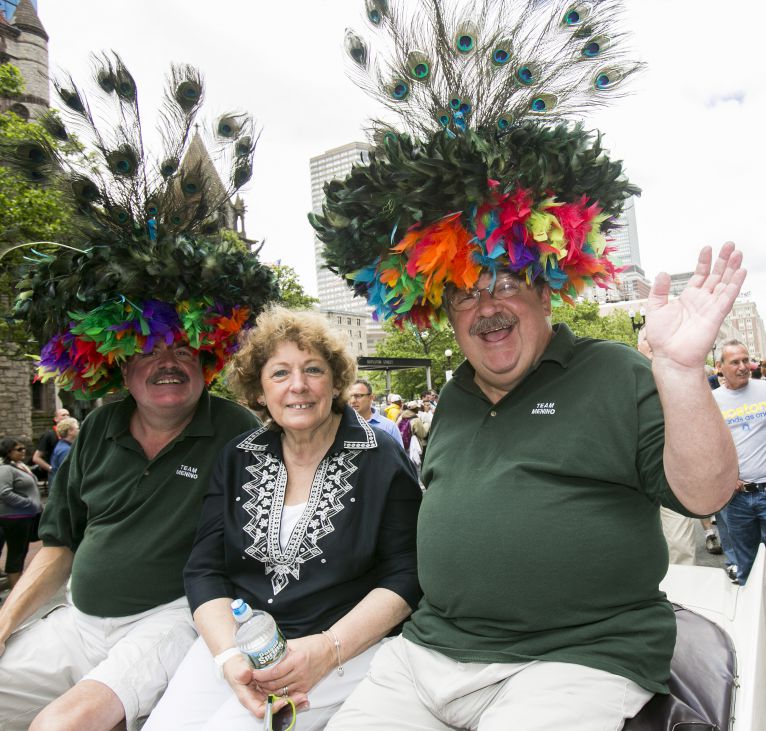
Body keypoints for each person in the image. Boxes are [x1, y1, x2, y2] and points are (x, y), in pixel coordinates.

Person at [310, 1, 744, 723]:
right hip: (428, 654)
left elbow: (707, 496)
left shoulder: (615, 373)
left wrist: (677, 371)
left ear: (546, 291)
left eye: (506, 282)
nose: (487, 305)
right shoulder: (452, 397)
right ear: (442, 310)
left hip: (576, 657)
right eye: (465, 291)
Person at [0, 53, 277, 730]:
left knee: (60, 725)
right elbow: (59, 543)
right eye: (150, 349)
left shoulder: (239, 430)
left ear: (210, 357)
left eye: (185, 347)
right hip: (74, 621)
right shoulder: (97, 428)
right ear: (120, 364)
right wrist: (6, 619)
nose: (169, 363)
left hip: (173, 622)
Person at [145, 306, 421, 730]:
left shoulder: (379, 455)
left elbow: (408, 573)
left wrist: (327, 649)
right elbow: (204, 570)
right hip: (238, 643)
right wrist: (229, 658)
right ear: (259, 390)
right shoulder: (237, 457)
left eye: (313, 369)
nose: (298, 385)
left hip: (341, 652)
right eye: (279, 373)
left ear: (336, 382)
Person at [637, 327, 698, 565]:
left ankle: (683, 587)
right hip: (631, 483)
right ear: (638, 346)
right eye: (646, 339)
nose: (652, 343)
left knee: (680, 547)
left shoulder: (679, 375)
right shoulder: (624, 375)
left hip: (671, 477)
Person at [712, 339, 766, 585]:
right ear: (720, 366)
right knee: (747, 565)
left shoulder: (763, 389)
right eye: (735, 362)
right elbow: (706, 446)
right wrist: (726, 477)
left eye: (746, 360)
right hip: (736, 499)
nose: (743, 366)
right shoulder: (712, 401)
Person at [0, 438, 42, 591]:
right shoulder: (5, 469)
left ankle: (17, 588)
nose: (23, 451)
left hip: (25, 517)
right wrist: (28, 503)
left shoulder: (19, 466)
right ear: (8, 452)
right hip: (14, 518)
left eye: (23, 448)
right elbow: (4, 492)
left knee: (21, 552)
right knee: (16, 554)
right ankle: (16, 591)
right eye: (19, 449)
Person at [347, 378, 404, 447]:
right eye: (349, 396)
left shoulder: (389, 427)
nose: (352, 401)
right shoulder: (340, 425)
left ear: (371, 397)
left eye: (358, 396)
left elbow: (399, 453)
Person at [31, 407, 70, 481]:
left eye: (68, 415)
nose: (66, 417)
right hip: (55, 475)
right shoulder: (49, 435)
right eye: (63, 415)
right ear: (56, 419)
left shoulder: (71, 435)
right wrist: (51, 469)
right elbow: (36, 458)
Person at [48, 416, 79, 489]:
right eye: (77, 428)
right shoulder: (66, 450)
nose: (79, 430)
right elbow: (68, 474)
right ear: (70, 431)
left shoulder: (62, 445)